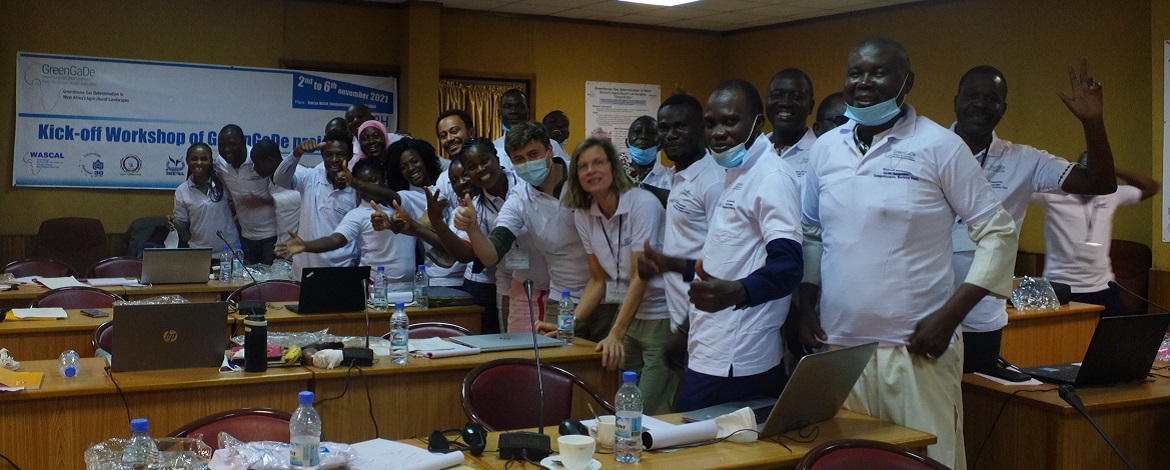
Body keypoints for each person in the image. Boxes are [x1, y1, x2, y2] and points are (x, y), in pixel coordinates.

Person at [798, 38, 1017, 469]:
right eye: (855, 73)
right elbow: (812, 232)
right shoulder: (825, 149)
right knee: (849, 463)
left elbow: (999, 233)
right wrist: (806, 304)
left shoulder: (940, 146)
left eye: (879, 73)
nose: (864, 82)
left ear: (907, 82)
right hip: (839, 352)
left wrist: (950, 317)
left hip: (916, 352)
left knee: (927, 461)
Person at [640, 80, 803, 412]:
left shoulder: (771, 177)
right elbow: (729, 262)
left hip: (738, 356)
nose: (718, 133)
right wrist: (673, 265)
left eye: (730, 121)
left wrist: (739, 292)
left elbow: (789, 266)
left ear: (757, 123)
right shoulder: (735, 170)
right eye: (711, 123)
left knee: (695, 437)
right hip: (709, 344)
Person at [950, 62, 1119, 373]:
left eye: (992, 98)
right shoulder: (926, 150)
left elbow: (1100, 183)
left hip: (981, 314)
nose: (980, 104)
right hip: (922, 307)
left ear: (1003, 108)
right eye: (972, 95)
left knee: (977, 396)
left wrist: (1093, 123)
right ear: (956, 100)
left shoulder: (1025, 160)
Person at [563, 138, 678, 414]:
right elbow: (598, 280)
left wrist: (615, 333)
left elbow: (641, 276)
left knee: (648, 411)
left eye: (598, 162)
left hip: (661, 315)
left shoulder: (642, 204)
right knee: (621, 406)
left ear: (614, 168)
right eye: (583, 166)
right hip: (628, 315)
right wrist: (569, 326)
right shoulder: (584, 214)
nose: (591, 170)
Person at [456, 121, 593, 337]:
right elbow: (491, 255)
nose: (528, 163)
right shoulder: (520, 197)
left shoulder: (584, 178)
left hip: (604, 293)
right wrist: (473, 228)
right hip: (563, 297)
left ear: (549, 150)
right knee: (551, 356)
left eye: (533, 154)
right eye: (519, 159)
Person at [1034, 160, 1159, 316]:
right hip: (1061, 287)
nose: (1092, 182)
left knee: (1121, 330)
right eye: (1087, 175)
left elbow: (1151, 188)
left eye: (1097, 176)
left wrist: (1112, 170)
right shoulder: (1052, 195)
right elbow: (1020, 186)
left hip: (1102, 287)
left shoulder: (1110, 194)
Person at [276, 158, 424, 283]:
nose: (367, 188)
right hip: (375, 287)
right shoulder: (357, 214)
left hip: (410, 285)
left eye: (373, 181)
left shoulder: (403, 203)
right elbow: (335, 240)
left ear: (384, 179)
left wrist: (355, 182)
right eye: (362, 184)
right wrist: (306, 246)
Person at [274, 136, 360, 279]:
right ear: (322, 156)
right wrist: (297, 152)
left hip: (342, 268)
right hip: (306, 267)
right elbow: (279, 179)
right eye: (329, 154)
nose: (334, 159)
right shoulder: (311, 177)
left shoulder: (357, 186)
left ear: (350, 156)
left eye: (340, 154)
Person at [386, 138, 467, 289]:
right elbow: (391, 197)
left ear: (425, 159)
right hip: (438, 276)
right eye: (403, 167)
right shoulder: (407, 195)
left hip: (467, 273)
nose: (411, 168)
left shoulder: (444, 182)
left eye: (414, 161)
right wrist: (401, 224)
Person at [214, 124, 276, 264]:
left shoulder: (258, 159)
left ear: (244, 142)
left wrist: (263, 201)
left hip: (272, 236)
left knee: (270, 277)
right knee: (247, 277)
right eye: (222, 145)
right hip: (246, 237)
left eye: (232, 144)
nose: (227, 149)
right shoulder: (220, 163)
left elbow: (286, 194)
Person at [172, 142, 239, 253]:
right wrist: (197, 242)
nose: (199, 163)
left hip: (229, 250)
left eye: (204, 159)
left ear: (211, 161)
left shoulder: (223, 182)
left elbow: (237, 206)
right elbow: (181, 226)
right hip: (199, 253)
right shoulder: (182, 190)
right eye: (194, 159)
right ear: (187, 161)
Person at [761, 68, 817, 187]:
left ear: (811, 106)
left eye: (797, 97)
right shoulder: (754, 151)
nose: (785, 103)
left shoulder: (821, 152)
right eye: (776, 95)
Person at [493, 90, 570, 168]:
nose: (514, 111)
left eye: (520, 106)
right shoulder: (494, 148)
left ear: (528, 111)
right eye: (507, 106)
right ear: (499, 114)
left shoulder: (552, 145)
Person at [250, 140, 301, 253]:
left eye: (257, 163)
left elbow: (298, 199)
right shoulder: (271, 180)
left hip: (301, 248)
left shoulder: (298, 176)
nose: (254, 168)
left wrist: (265, 202)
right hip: (282, 247)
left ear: (271, 160)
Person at [617, 116, 671, 200]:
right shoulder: (614, 176)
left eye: (650, 133)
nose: (643, 136)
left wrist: (636, 185)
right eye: (637, 132)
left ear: (660, 145)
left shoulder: (672, 177)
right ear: (627, 142)